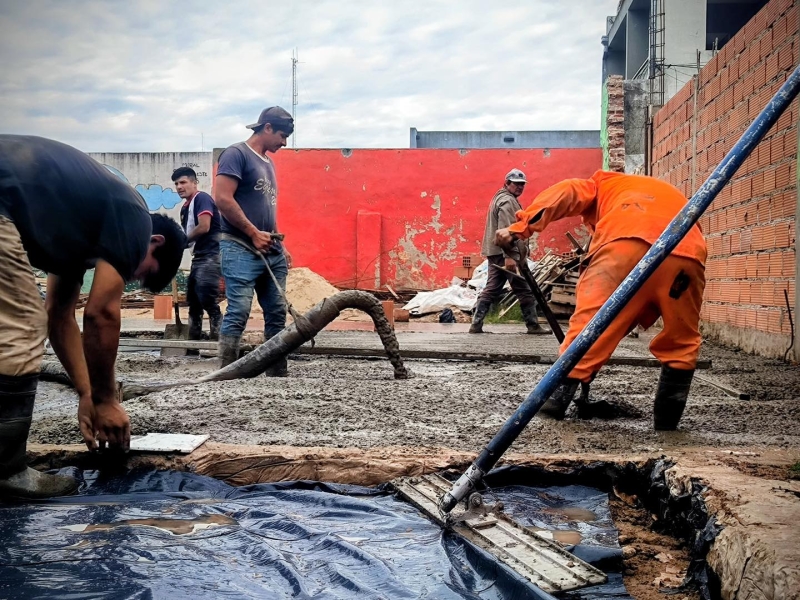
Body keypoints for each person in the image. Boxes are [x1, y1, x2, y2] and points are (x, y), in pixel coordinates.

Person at [0, 135, 186, 498]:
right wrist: (106, 400)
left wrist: (86, 392)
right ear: (155, 244)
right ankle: (6, 471)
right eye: (144, 272)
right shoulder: (135, 219)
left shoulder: (78, 234)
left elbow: (59, 315)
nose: (132, 278)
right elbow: (100, 314)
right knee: (21, 326)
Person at [495, 170, 707, 430]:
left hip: (624, 245)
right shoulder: (659, 191)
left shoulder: (599, 183)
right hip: (687, 254)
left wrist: (520, 227)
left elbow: (567, 192)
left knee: (588, 332)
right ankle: (667, 429)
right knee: (681, 344)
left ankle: (548, 416)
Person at [214, 107, 294, 375]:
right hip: (239, 246)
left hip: (270, 248)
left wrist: (279, 242)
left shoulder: (268, 163)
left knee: (276, 314)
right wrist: (252, 233)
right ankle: (225, 375)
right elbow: (223, 199)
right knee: (238, 311)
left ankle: (276, 375)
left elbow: (266, 207)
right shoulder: (236, 154)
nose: (284, 142)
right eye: (282, 135)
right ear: (267, 127)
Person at [470, 168, 549, 335]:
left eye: (522, 185)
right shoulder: (507, 202)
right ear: (507, 183)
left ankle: (476, 324)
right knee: (523, 288)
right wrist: (509, 257)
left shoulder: (502, 197)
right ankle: (533, 325)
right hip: (506, 253)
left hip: (497, 252)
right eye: (516, 184)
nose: (520, 187)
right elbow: (505, 230)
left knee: (492, 287)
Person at [173, 167, 222, 343]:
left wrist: (181, 242)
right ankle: (193, 344)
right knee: (193, 302)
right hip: (199, 257)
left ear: (194, 183)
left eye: (183, 182)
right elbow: (189, 237)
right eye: (177, 183)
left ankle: (219, 342)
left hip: (211, 255)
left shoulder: (201, 199)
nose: (179, 186)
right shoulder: (185, 208)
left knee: (208, 300)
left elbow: (204, 227)